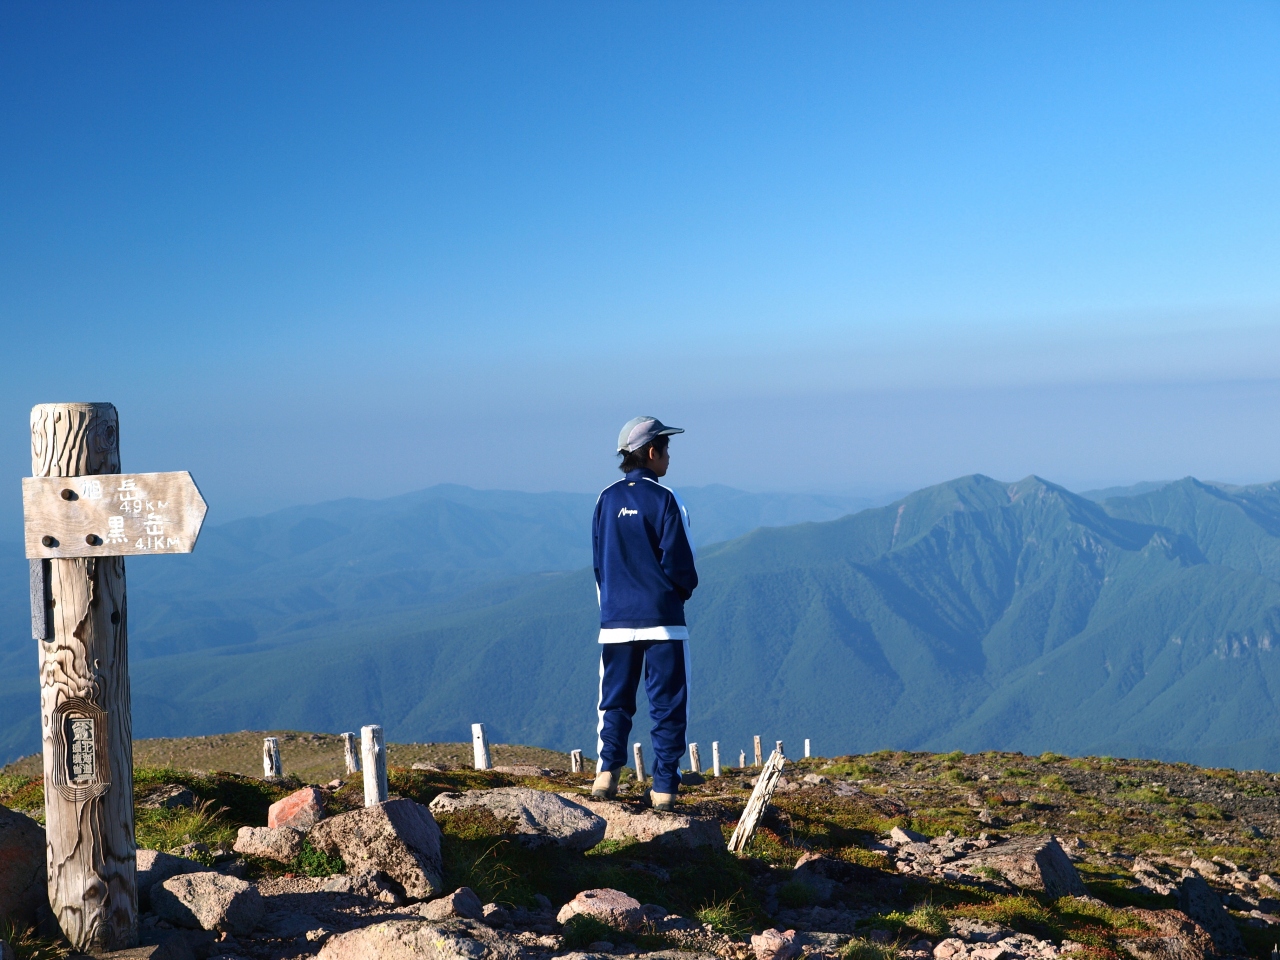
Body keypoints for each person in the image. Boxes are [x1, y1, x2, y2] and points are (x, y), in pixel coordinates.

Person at [590, 416, 698, 812]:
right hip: (664, 621)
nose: (669, 456)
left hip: (615, 621)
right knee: (668, 704)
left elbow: (599, 564)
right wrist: (676, 596)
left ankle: (606, 774)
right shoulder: (667, 499)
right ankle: (665, 787)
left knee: (614, 700)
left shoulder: (605, 498)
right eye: (666, 449)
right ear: (652, 452)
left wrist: (612, 607)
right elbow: (682, 564)